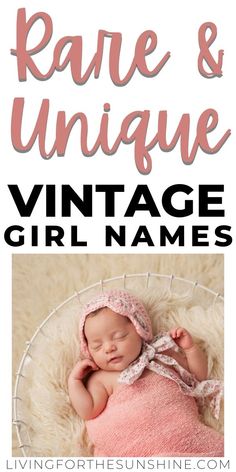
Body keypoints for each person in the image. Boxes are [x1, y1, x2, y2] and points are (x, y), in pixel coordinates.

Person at [68, 289, 224, 457]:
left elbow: (197, 376)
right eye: (97, 346)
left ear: (140, 330)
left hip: (180, 431)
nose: (108, 348)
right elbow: (89, 410)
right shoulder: (102, 378)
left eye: (119, 337)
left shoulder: (162, 355)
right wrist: (74, 381)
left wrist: (190, 349)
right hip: (135, 444)